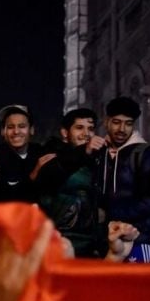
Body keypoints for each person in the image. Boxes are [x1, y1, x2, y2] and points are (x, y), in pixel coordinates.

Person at [97, 96, 150, 263]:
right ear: (106, 122)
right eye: (117, 122)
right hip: (108, 240)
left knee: (138, 288)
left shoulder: (145, 154)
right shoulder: (101, 153)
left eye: (128, 123)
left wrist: (115, 213)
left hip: (139, 240)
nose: (122, 129)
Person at [32, 108, 107, 257]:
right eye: (79, 128)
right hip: (60, 240)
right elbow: (51, 175)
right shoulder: (51, 153)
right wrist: (84, 152)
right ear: (65, 133)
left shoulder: (96, 159)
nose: (86, 134)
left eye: (90, 129)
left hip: (89, 244)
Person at [0, 105, 45, 204]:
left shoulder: (41, 153)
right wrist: (32, 176)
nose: (16, 131)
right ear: (3, 131)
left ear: (31, 130)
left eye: (22, 126)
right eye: (10, 127)